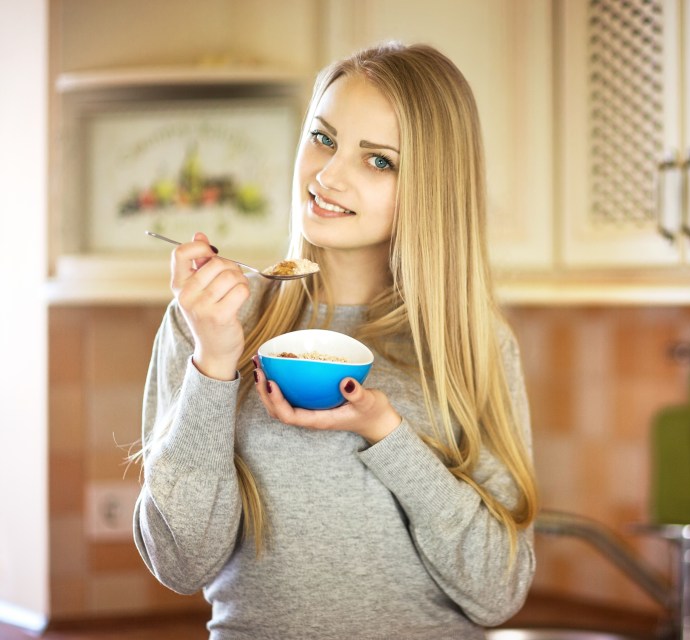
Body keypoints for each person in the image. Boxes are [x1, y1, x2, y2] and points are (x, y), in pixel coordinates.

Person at [132, 41, 538, 639]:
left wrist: (387, 434)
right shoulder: (213, 319)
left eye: (379, 161)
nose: (326, 174)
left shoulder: (470, 345)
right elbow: (179, 564)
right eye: (324, 138)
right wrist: (214, 363)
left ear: (432, 188)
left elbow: (498, 593)